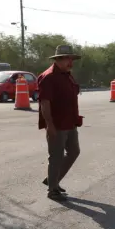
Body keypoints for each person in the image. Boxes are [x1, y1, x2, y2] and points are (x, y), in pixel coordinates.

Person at [38, 45, 84, 201]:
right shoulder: (48, 77)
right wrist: (50, 124)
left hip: (70, 122)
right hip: (57, 124)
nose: (71, 62)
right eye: (67, 59)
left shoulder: (67, 75)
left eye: (71, 59)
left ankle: (53, 180)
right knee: (56, 156)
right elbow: (45, 103)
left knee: (74, 152)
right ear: (58, 59)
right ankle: (52, 190)